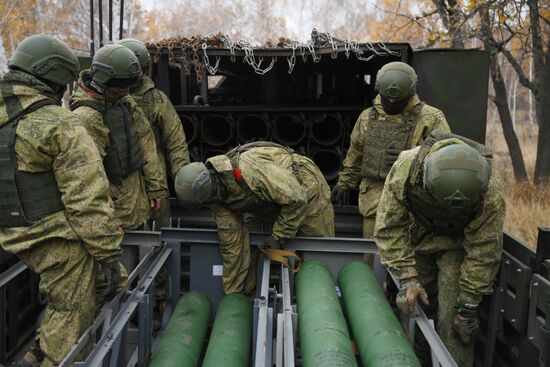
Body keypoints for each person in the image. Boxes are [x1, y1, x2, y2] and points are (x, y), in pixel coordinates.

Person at [0, 35, 124, 367]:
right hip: (53, 238)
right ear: (54, 75)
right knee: (73, 311)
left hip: (9, 234)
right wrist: (110, 256)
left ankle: (39, 349)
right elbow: (88, 204)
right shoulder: (60, 123)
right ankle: (57, 355)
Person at [374, 130, 506, 366]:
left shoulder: (490, 189)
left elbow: (484, 249)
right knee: (415, 308)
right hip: (419, 238)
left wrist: (468, 305)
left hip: (459, 247)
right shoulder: (406, 168)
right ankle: (416, 360)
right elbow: (389, 228)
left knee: (454, 323)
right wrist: (407, 278)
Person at [174, 142, 334, 294]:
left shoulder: (251, 170)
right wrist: (232, 290)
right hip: (268, 199)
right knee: (250, 246)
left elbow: (297, 199)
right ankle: (246, 297)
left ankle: (320, 300)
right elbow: (231, 244)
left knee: (318, 255)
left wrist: (279, 235)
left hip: (306, 190)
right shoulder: (215, 198)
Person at [331, 61, 451, 240]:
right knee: (371, 257)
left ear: (410, 93)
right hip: (373, 201)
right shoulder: (367, 118)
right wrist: (344, 183)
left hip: (412, 204)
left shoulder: (430, 118)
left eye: (398, 100)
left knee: (407, 260)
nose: (392, 102)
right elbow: (356, 155)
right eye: (388, 98)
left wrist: (413, 156)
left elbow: (445, 159)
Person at [69, 44, 167, 230]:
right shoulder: (86, 117)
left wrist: (155, 186)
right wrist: (107, 220)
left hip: (136, 202)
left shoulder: (120, 99)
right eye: (123, 85)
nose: (127, 90)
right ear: (108, 81)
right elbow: (85, 178)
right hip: (113, 213)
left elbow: (144, 137)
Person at [117, 38, 190, 228]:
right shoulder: (106, 100)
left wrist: (182, 183)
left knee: (160, 232)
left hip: (155, 181)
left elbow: (176, 144)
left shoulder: (156, 100)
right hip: (120, 180)